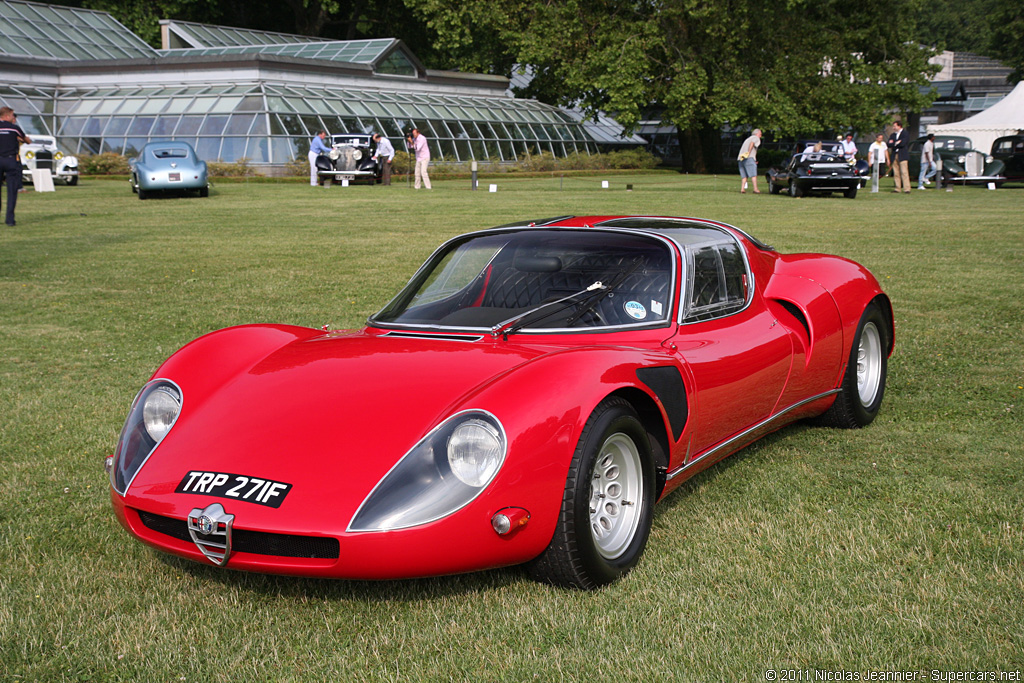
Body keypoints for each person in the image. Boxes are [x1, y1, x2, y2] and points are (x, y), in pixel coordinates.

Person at [0, 106, 30, 226]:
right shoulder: (14, 128)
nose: (14, 118)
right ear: (7, 116)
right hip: (11, 160)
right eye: (12, 116)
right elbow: (27, 140)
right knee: (12, 191)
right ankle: (10, 220)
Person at [887, 120, 911, 194]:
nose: (893, 128)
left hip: (902, 155)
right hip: (895, 155)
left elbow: (903, 143)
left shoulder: (905, 133)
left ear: (899, 126)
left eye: (895, 126)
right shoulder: (893, 135)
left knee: (904, 172)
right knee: (896, 173)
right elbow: (888, 144)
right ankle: (897, 188)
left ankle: (907, 188)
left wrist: (894, 143)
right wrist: (896, 143)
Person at [736, 128, 762, 193]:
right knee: (753, 174)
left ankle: (742, 189)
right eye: (760, 134)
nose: (761, 136)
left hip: (740, 158)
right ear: (757, 134)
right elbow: (752, 143)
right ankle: (755, 189)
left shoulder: (747, 139)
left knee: (744, 176)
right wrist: (749, 152)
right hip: (749, 157)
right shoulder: (756, 138)